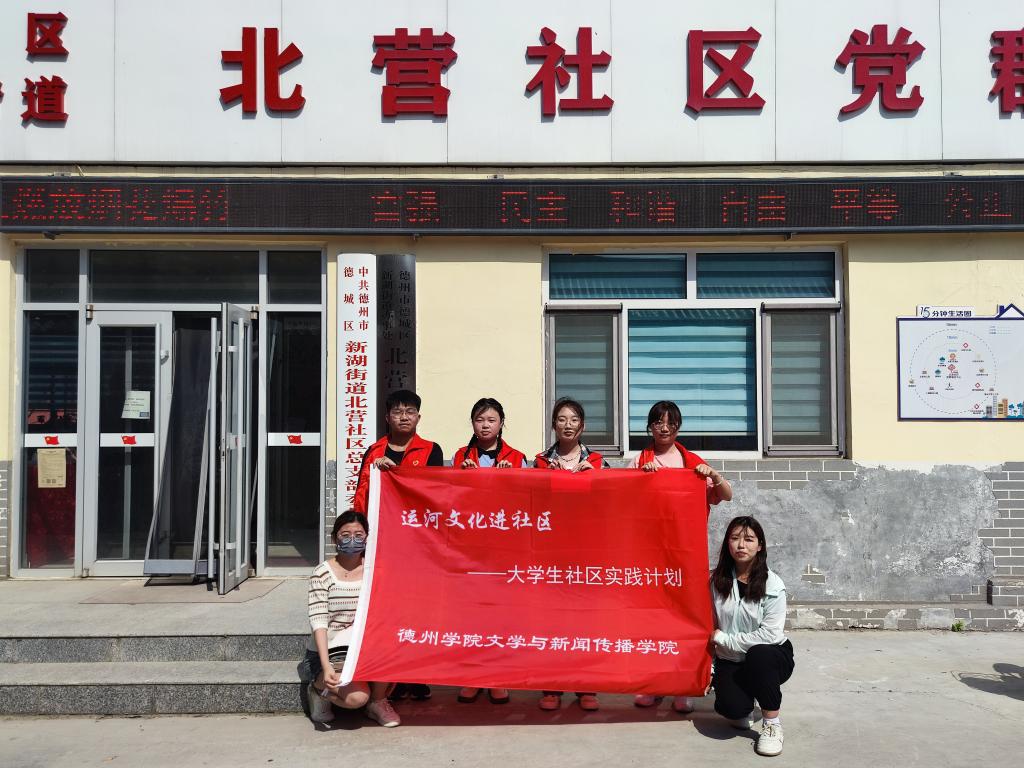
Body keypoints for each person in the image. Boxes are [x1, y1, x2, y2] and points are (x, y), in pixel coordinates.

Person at [630, 400, 734, 712]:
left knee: (685, 621)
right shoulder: (639, 461)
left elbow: (726, 495)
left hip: (686, 557)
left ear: (678, 427)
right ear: (649, 427)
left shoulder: (692, 463)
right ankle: (652, 683)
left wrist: (712, 474)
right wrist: (640, 479)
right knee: (652, 622)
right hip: (650, 556)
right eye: (658, 422)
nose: (664, 428)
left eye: (670, 423)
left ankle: (682, 686)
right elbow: (623, 501)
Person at [352, 389, 442, 702]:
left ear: (419, 417)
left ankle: (415, 676)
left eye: (410, 412)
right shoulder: (373, 451)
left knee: (418, 611)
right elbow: (361, 497)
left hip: (417, 547)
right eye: (398, 412)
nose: (404, 417)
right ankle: (391, 675)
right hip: (382, 545)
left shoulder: (431, 450)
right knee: (389, 612)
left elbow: (435, 494)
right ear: (387, 417)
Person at [452, 397, 527, 705]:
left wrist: (513, 478)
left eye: (491, 420)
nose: (485, 425)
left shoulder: (518, 457)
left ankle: (498, 678)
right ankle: (471, 677)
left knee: (500, 616)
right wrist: (461, 476)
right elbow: (448, 500)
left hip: (504, 552)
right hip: (470, 550)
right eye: (480, 420)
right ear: (472, 423)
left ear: (501, 423)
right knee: (471, 615)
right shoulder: (460, 456)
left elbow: (527, 504)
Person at [534, 397, 606, 711]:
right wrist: (545, 480)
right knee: (552, 621)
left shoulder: (598, 461)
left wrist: (594, 479)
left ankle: (585, 685)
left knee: (584, 621)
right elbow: (530, 503)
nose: (568, 424)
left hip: (586, 551)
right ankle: (551, 686)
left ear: (582, 425)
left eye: (574, 419)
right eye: (562, 419)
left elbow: (610, 502)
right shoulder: (539, 461)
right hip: (551, 552)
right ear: (554, 425)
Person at [700, 516, 793, 757]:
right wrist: (709, 667)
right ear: (727, 543)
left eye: (749, 539)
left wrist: (725, 640)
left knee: (759, 655)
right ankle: (746, 700)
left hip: (771, 656)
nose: (741, 545)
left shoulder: (773, 584)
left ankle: (772, 725)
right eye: (735, 538)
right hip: (731, 659)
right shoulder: (715, 581)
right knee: (733, 711)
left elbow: (770, 634)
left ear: (760, 546)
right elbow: (709, 626)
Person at [304, 511, 400, 728]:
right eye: (345, 535)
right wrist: (326, 666)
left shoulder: (375, 571)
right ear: (334, 538)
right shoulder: (322, 573)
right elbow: (319, 622)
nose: (352, 540)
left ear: (367, 537)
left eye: (358, 535)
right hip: (329, 651)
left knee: (391, 642)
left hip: (364, 646)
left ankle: (378, 701)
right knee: (357, 698)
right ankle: (318, 690)